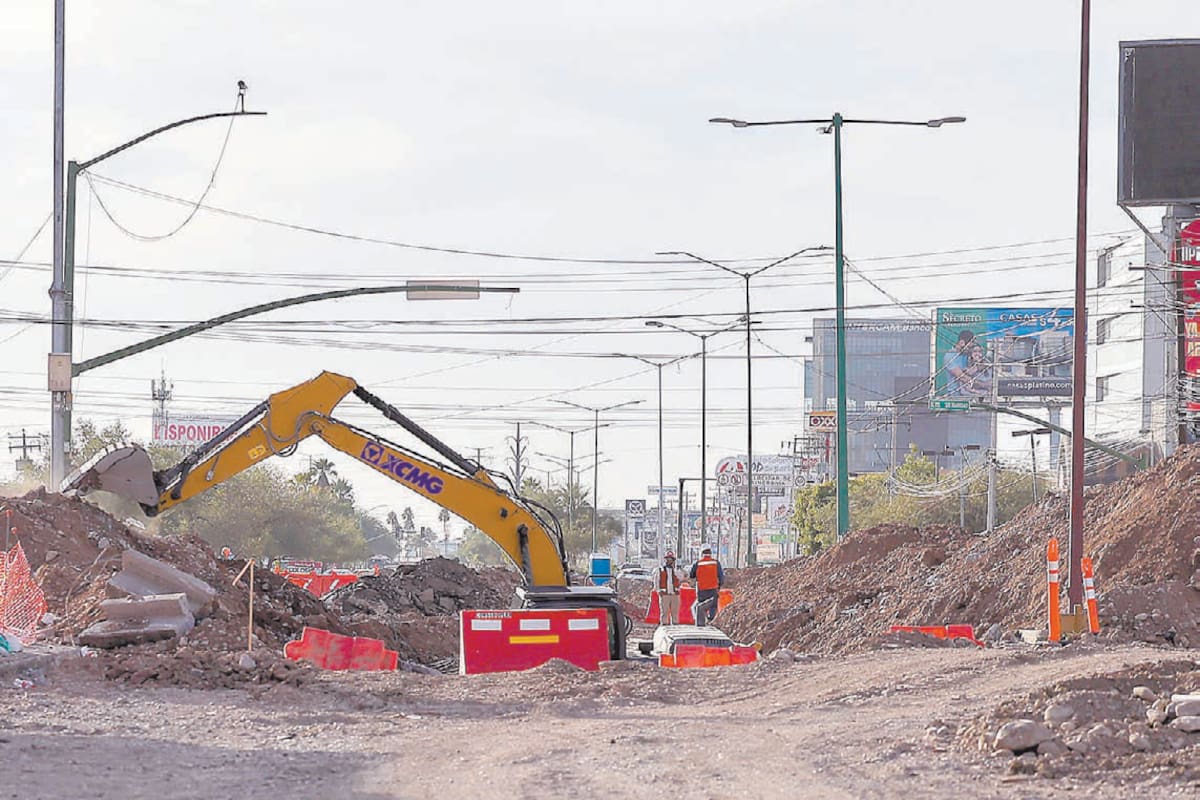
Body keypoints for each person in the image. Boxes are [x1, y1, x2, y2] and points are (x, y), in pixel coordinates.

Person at [689, 546, 724, 627]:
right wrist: (719, 586)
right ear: (710, 554)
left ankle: (700, 622)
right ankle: (711, 622)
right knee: (712, 606)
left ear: (702, 554)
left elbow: (691, 575)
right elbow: (721, 577)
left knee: (699, 606)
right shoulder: (716, 563)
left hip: (701, 590)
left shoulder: (698, 563)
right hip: (713, 589)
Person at [654, 551, 686, 625]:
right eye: (667, 559)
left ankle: (675, 626)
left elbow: (683, 577)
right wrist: (658, 591)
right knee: (664, 612)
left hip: (675, 594)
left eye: (671, 559)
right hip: (665, 594)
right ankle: (664, 626)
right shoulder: (660, 570)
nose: (669, 561)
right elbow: (656, 581)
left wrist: (678, 568)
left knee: (675, 613)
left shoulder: (676, 571)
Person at [943, 330, 976, 397]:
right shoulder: (950, 356)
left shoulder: (965, 355)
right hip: (955, 394)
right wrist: (981, 384)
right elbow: (961, 377)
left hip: (967, 393)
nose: (970, 349)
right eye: (969, 347)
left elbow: (971, 371)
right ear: (961, 343)